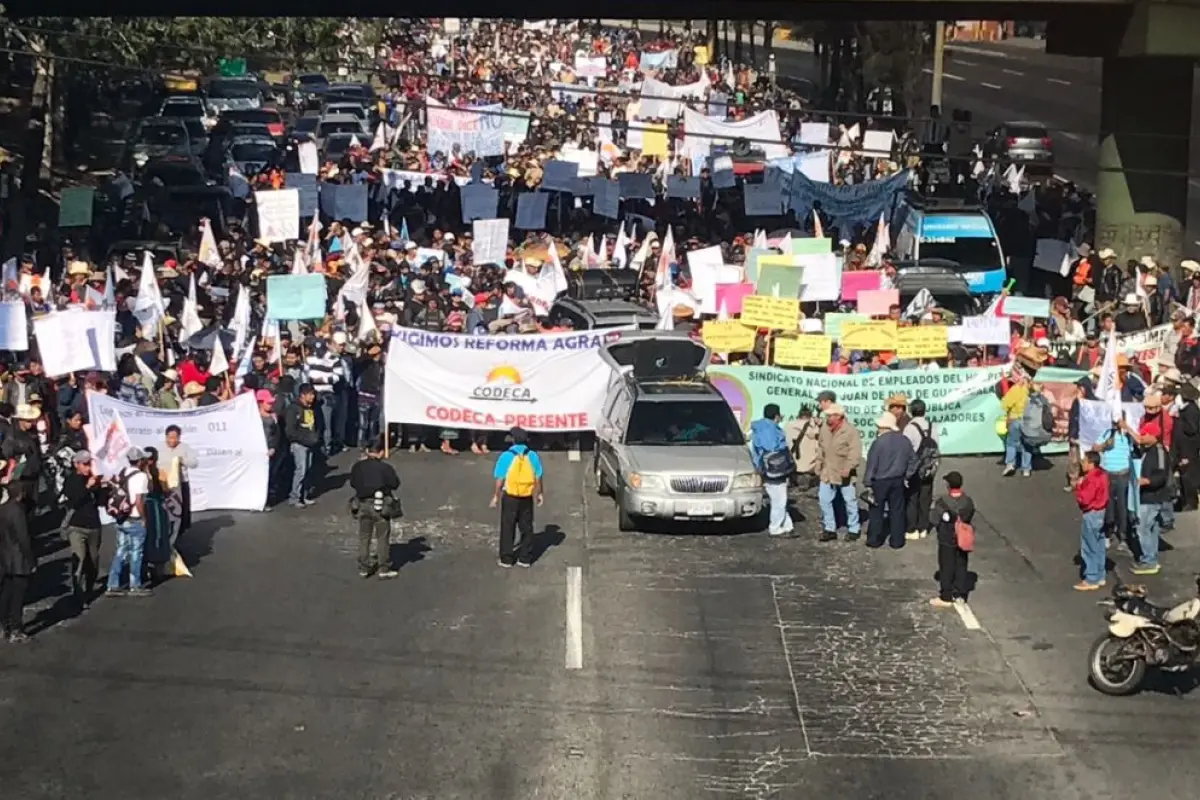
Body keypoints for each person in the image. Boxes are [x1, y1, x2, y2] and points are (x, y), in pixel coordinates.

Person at [489, 427, 543, 568]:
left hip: (510, 496)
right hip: (526, 496)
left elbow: (500, 479)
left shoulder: (506, 456)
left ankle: (506, 558)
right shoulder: (532, 455)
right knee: (526, 527)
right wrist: (539, 493)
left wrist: (496, 495)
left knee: (508, 526)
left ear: (512, 439)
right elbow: (538, 476)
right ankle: (525, 558)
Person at [349, 435, 401, 579]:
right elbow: (395, 484)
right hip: (380, 505)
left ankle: (364, 567)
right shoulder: (385, 468)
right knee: (382, 537)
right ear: (381, 452)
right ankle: (383, 568)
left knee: (364, 537)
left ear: (367, 450)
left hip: (362, 504)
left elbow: (353, 483)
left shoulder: (357, 467)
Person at [864, 411, 917, 549]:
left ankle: (874, 539)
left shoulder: (878, 443)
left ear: (883, 427)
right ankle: (897, 540)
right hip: (898, 479)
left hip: (880, 481)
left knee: (876, 511)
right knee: (897, 511)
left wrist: (868, 483)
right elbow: (914, 461)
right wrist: (907, 475)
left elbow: (872, 464)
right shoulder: (904, 440)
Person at [105, 447, 153, 598]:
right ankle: (135, 585)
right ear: (140, 461)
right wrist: (144, 518)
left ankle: (113, 585)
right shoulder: (141, 477)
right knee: (136, 553)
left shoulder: (123, 472)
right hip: (134, 519)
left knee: (120, 551)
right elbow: (139, 500)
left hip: (121, 518)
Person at [61, 451, 105, 609]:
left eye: (89, 464)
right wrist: (87, 487)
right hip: (77, 526)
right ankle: (78, 595)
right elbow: (75, 500)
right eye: (85, 464)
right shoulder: (71, 480)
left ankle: (89, 589)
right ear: (76, 464)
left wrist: (102, 488)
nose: (88, 468)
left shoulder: (93, 478)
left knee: (92, 562)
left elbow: (101, 502)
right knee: (79, 560)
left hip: (94, 525)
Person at [815, 403, 862, 542]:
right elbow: (821, 448)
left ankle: (854, 528)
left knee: (850, 501)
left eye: (830, 416)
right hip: (827, 471)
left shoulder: (850, 431)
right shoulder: (824, 428)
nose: (827, 418)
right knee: (824, 500)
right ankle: (829, 528)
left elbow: (855, 452)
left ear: (839, 416)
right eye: (827, 415)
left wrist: (849, 467)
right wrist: (818, 462)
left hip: (843, 471)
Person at [929, 470, 975, 608]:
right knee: (961, 565)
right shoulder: (967, 501)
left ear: (948, 485)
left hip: (946, 538)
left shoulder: (942, 501)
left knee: (946, 566)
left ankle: (946, 595)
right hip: (962, 538)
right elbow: (969, 516)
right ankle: (960, 594)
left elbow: (934, 519)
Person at [750, 403, 795, 537]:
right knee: (779, 499)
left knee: (779, 499)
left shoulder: (759, 428)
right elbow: (771, 446)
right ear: (776, 416)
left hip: (763, 467)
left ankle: (787, 526)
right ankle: (775, 528)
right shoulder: (771, 429)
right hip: (774, 468)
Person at [1132, 417, 1170, 575]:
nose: (1141, 437)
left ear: (1153, 436)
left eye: (1144, 434)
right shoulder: (1148, 450)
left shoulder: (1159, 452)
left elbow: (1162, 475)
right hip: (1148, 495)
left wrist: (1148, 481)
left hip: (1152, 496)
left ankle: (1149, 560)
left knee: (1143, 528)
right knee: (1152, 528)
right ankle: (1150, 557)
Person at [0, 470, 33, 642]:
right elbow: (23, 537)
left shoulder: (3, 510)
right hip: (19, 559)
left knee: (5, 593)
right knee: (18, 596)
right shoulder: (18, 512)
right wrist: (31, 559)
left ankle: (3, 625)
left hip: (5, 558)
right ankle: (16, 629)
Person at [1074, 451, 1110, 591]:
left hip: (1092, 513)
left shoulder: (1091, 479)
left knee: (1089, 547)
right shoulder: (1103, 475)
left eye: (1084, 461)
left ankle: (1091, 578)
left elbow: (1085, 498)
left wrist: (1079, 487)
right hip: (1102, 512)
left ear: (1091, 463)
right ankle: (1100, 575)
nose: (1082, 463)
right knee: (1099, 545)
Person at [903, 398, 938, 539]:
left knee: (912, 498)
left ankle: (912, 529)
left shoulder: (909, 428)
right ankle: (923, 527)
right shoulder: (932, 425)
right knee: (926, 498)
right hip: (929, 467)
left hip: (915, 467)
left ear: (911, 411)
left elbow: (905, 450)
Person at [139, 447, 174, 584]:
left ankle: (158, 568)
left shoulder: (160, 473)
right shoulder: (140, 475)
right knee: (146, 537)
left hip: (157, 508)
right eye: (147, 459)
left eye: (151, 459)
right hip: (145, 507)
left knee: (158, 536)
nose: (149, 462)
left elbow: (165, 491)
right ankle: (144, 569)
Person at [284, 383, 321, 508]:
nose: (313, 397)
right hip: (299, 444)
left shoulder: (311, 408)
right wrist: (303, 439)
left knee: (308, 470)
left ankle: (304, 496)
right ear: (302, 395)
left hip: (310, 443)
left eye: (313, 394)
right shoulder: (293, 409)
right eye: (310, 394)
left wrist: (315, 437)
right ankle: (294, 497)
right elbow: (290, 431)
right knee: (301, 470)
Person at [161, 424, 198, 534]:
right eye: (170, 437)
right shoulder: (159, 448)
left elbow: (194, 463)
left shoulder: (185, 447)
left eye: (175, 437)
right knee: (167, 511)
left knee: (182, 510)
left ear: (179, 437)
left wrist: (182, 460)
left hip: (181, 484)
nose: (172, 440)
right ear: (166, 436)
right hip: (165, 483)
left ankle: (180, 532)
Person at [1000, 372, 1032, 476]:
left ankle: (1010, 464)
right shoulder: (1031, 390)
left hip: (1015, 419)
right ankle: (1026, 469)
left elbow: (1004, 405)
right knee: (1027, 445)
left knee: (1011, 443)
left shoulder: (1016, 389)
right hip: (1029, 420)